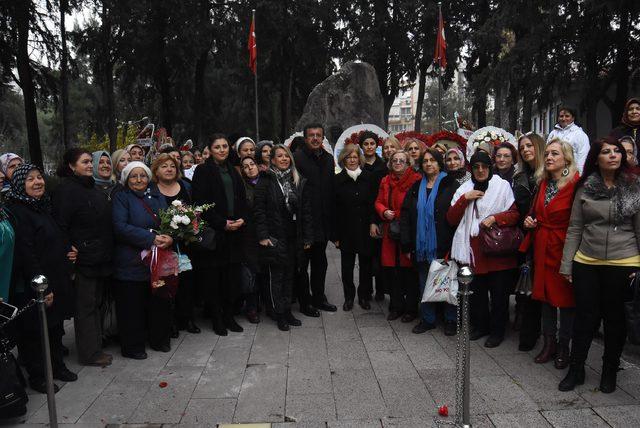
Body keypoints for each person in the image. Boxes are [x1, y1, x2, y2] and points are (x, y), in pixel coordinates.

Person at [559, 137, 640, 393]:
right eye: (607, 151)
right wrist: (567, 265)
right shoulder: (585, 188)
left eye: (618, 151)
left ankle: (609, 371)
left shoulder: (634, 187)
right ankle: (576, 369)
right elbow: (575, 227)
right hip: (587, 260)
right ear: (596, 158)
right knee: (584, 317)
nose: (614, 155)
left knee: (615, 320)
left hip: (624, 260)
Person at [7, 163, 77, 392]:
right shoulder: (19, 211)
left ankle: (57, 366)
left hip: (56, 275)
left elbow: (56, 234)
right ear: (19, 184)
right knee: (35, 333)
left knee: (55, 327)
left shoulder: (42, 205)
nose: (37, 182)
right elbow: (27, 253)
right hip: (36, 283)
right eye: (30, 179)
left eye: (39, 177)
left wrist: (70, 250)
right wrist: (42, 288)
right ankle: (38, 377)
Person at [447, 151, 520, 348]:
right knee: (477, 295)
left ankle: (497, 331)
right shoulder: (464, 189)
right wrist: (466, 199)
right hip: (473, 252)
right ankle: (482, 327)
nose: (480, 170)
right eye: (476, 167)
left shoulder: (502, 187)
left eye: (484, 167)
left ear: (490, 168)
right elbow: (451, 218)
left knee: (499, 296)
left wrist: (496, 218)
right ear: (471, 169)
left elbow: (514, 215)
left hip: (498, 251)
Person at [52, 148, 114, 367]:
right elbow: (60, 225)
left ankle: (96, 345)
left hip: (99, 256)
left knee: (95, 304)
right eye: (85, 162)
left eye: (90, 162)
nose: (90, 165)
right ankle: (90, 353)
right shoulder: (66, 190)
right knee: (85, 307)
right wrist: (70, 250)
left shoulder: (92, 189)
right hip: (83, 259)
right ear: (71, 166)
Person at [522, 139, 579, 369]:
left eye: (555, 153)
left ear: (566, 158)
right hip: (542, 245)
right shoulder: (543, 183)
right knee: (545, 297)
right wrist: (530, 221)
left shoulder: (575, 183)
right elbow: (537, 213)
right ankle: (549, 343)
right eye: (546, 153)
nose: (549, 157)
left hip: (563, 247)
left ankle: (564, 346)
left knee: (564, 301)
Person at [112, 161, 173, 358]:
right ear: (126, 179)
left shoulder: (157, 196)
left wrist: (170, 236)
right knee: (132, 306)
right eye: (133, 176)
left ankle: (159, 339)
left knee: (158, 301)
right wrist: (150, 238)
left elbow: (169, 220)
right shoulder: (121, 198)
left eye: (143, 175)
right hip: (131, 261)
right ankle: (133, 346)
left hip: (157, 260)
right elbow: (120, 227)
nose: (139, 180)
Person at [191, 134, 247, 336]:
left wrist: (242, 218)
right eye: (217, 147)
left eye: (225, 146)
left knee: (232, 278)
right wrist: (222, 223)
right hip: (216, 232)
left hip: (235, 231)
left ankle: (230, 316)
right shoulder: (203, 170)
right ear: (210, 149)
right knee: (214, 279)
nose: (222, 150)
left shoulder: (233, 170)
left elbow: (241, 198)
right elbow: (200, 203)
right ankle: (217, 319)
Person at [401, 149, 461, 335]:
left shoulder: (450, 184)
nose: (428, 164)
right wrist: (407, 243)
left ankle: (451, 320)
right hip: (421, 246)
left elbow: (458, 214)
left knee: (448, 281)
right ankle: (428, 319)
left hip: (444, 243)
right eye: (425, 161)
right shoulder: (416, 186)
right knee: (424, 282)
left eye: (432, 160)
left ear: (439, 163)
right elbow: (406, 215)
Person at [254, 145, 312, 330]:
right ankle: (278, 313)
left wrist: (307, 238)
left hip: (294, 236)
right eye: (279, 156)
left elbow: (306, 212)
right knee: (276, 277)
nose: (284, 159)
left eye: (286, 156)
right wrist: (263, 236)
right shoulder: (265, 180)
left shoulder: (297, 180)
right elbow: (259, 211)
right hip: (274, 236)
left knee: (290, 276)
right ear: (272, 160)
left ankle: (287, 310)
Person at [151, 153, 200, 335]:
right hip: (162, 245)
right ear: (156, 171)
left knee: (187, 283)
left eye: (172, 166)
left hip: (185, 244)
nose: (169, 169)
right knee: (166, 284)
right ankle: (169, 321)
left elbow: (194, 212)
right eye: (164, 166)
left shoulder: (186, 186)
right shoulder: (152, 190)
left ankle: (186, 319)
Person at [293, 123, 337, 315]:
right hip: (304, 221)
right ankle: (305, 302)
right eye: (311, 135)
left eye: (319, 135)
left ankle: (319, 298)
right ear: (305, 138)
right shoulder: (297, 158)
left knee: (321, 263)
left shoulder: (328, 159)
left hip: (322, 221)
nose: (315, 138)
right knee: (303, 264)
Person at [375, 150, 422, 321]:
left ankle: (411, 308)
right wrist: (383, 211)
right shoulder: (385, 180)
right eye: (394, 160)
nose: (398, 163)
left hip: (408, 230)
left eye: (402, 160)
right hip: (390, 230)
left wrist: (400, 215)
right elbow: (378, 202)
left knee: (408, 271)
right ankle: (396, 306)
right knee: (391, 270)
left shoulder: (416, 180)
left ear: (408, 163)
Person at [332, 144, 377, 311]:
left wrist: (373, 222)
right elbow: (334, 209)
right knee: (347, 267)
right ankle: (349, 297)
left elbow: (373, 202)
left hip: (366, 229)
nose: (352, 160)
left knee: (366, 266)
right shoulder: (337, 180)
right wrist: (335, 235)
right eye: (348, 157)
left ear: (360, 158)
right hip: (346, 230)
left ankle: (364, 296)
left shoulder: (369, 177)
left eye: (355, 157)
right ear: (343, 159)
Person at [512, 132, 545, 351]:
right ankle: (528, 332)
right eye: (522, 147)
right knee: (527, 285)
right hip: (526, 236)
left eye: (529, 146)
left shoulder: (548, 175)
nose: (525, 150)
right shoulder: (520, 177)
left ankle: (546, 336)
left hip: (545, 235)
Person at [359, 132, 388, 302]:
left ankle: (381, 290)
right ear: (361, 146)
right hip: (362, 218)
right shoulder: (358, 166)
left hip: (378, 216)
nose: (369, 146)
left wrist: (376, 219)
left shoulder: (383, 166)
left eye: (372, 143)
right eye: (366, 144)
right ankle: (365, 292)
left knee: (380, 256)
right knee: (365, 258)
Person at [239, 156, 265, 323]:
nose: (250, 168)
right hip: (249, 235)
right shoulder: (241, 187)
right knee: (252, 272)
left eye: (252, 164)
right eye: (246, 166)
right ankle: (252, 307)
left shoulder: (267, 182)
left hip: (267, 233)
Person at [547, 106, 590, 173]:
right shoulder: (553, 134)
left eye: (567, 116)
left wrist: (579, 175)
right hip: (554, 173)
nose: (564, 119)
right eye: (561, 116)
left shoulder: (580, 134)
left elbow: (583, 156)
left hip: (572, 173)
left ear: (573, 118)